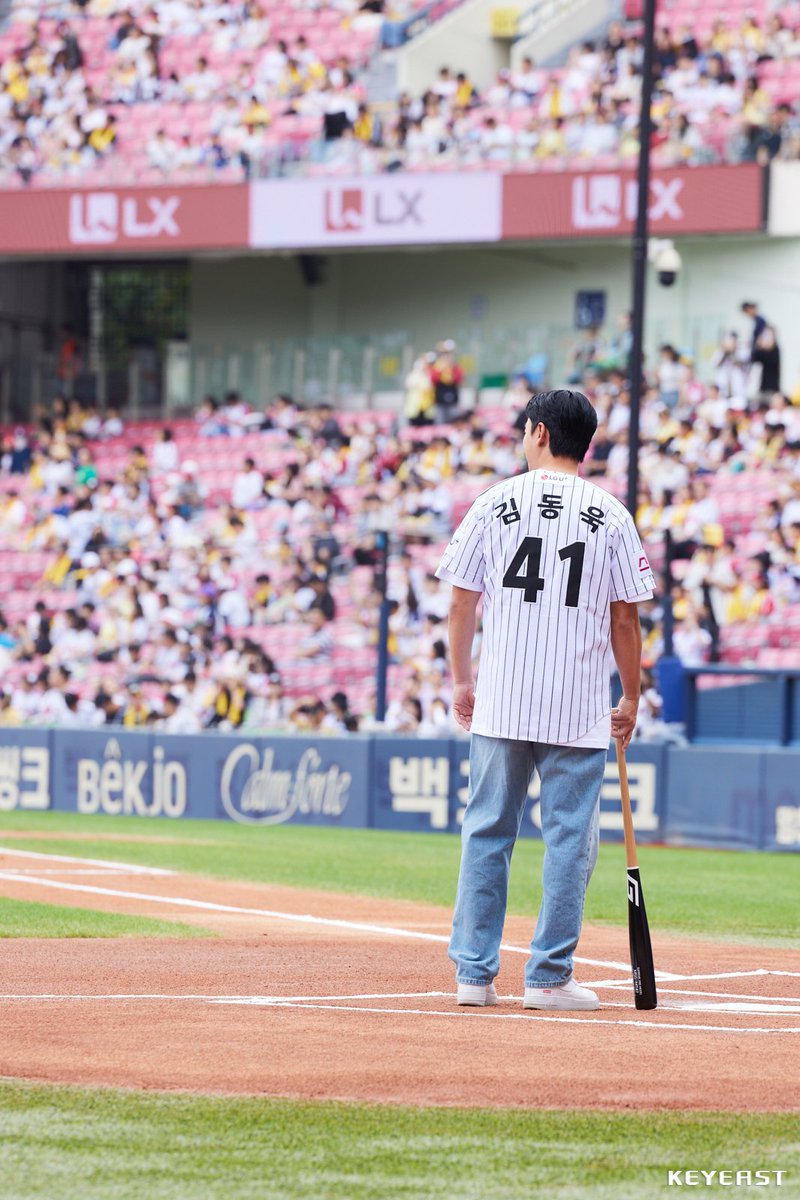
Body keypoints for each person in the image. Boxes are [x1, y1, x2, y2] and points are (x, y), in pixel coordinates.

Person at [436, 388, 655, 1012]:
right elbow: (624, 622)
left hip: (502, 697)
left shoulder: (492, 502)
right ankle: (549, 978)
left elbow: (460, 602)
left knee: (486, 832)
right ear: (583, 441)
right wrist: (631, 697)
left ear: (536, 432)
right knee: (570, 844)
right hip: (577, 706)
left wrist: (460, 680)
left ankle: (473, 977)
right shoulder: (610, 513)